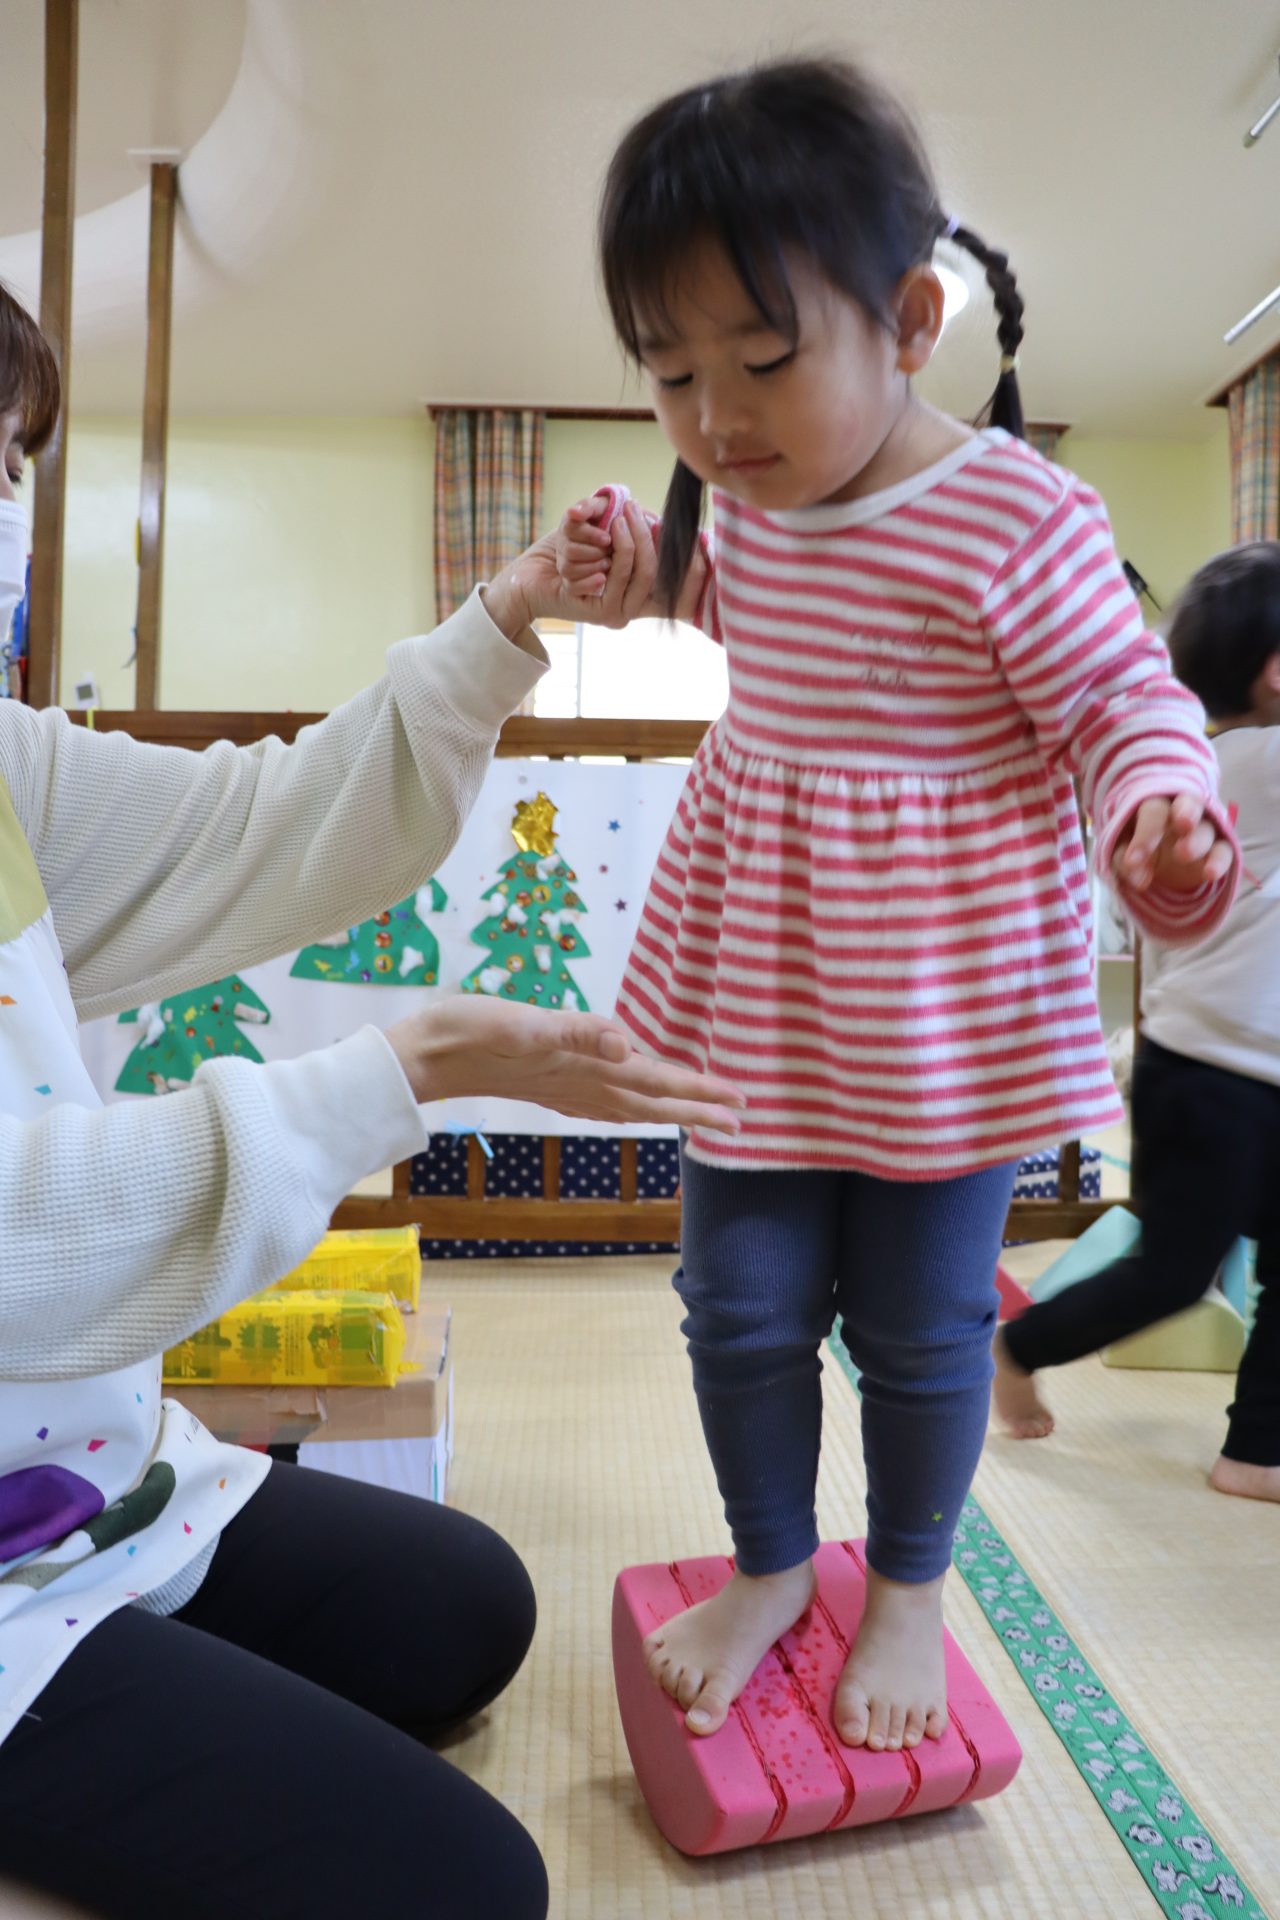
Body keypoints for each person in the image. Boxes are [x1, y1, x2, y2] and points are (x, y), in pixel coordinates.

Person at [0, 280, 744, 1920]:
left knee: (464, 1612)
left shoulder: (6, 774)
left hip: (95, 1466)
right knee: (472, 1887)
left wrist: (507, 620)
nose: (5, 517)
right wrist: (411, 1072)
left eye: (11, 468)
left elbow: (261, 824)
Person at [555, 57, 1238, 1758]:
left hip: (942, 1003)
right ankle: (774, 1561)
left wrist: (1160, 802)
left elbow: (1121, 698)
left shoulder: (1013, 513)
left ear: (913, 322)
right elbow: (735, 606)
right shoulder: (749, 501)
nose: (716, 418)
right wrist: (640, 572)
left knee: (924, 1324)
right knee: (738, 1303)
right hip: (762, 984)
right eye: (671, 374)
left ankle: (914, 1584)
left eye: (762, 360)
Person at [994, 541, 1280, 1503]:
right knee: (1174, 1268)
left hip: (1242, 1070)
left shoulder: (1208, 761)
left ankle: (1259, 1450)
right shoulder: (1253, 761)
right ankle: (1021, 1345)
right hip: (1211, 1075)